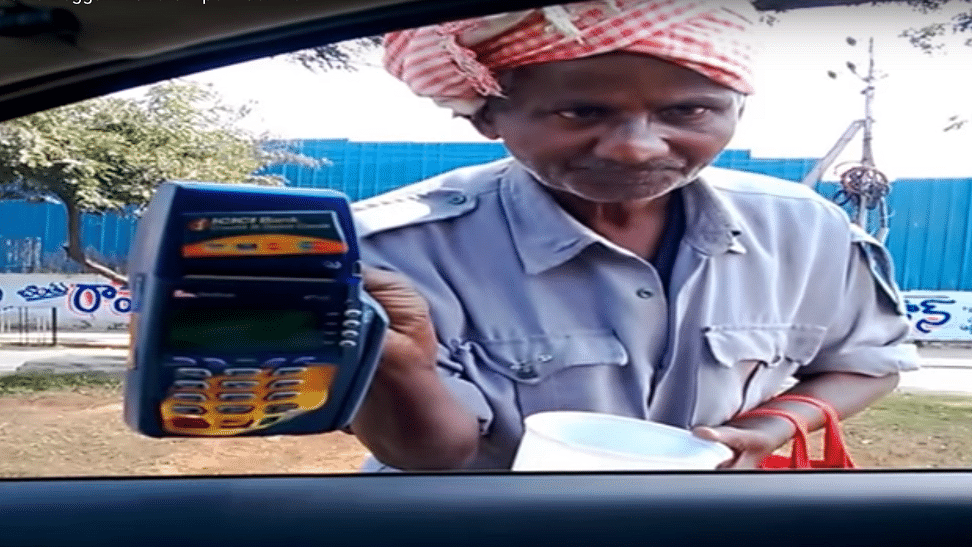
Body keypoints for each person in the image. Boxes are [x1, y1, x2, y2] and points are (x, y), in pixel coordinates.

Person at [349, 0, 919, 471]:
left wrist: (763, 430)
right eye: (579, 113)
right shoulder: (391, 249)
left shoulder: (805, 229)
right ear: (487, 117)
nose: (636, 147)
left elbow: (868, 362)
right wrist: (400, 362)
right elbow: (431, 456)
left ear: (735, 112)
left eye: (691, 111)